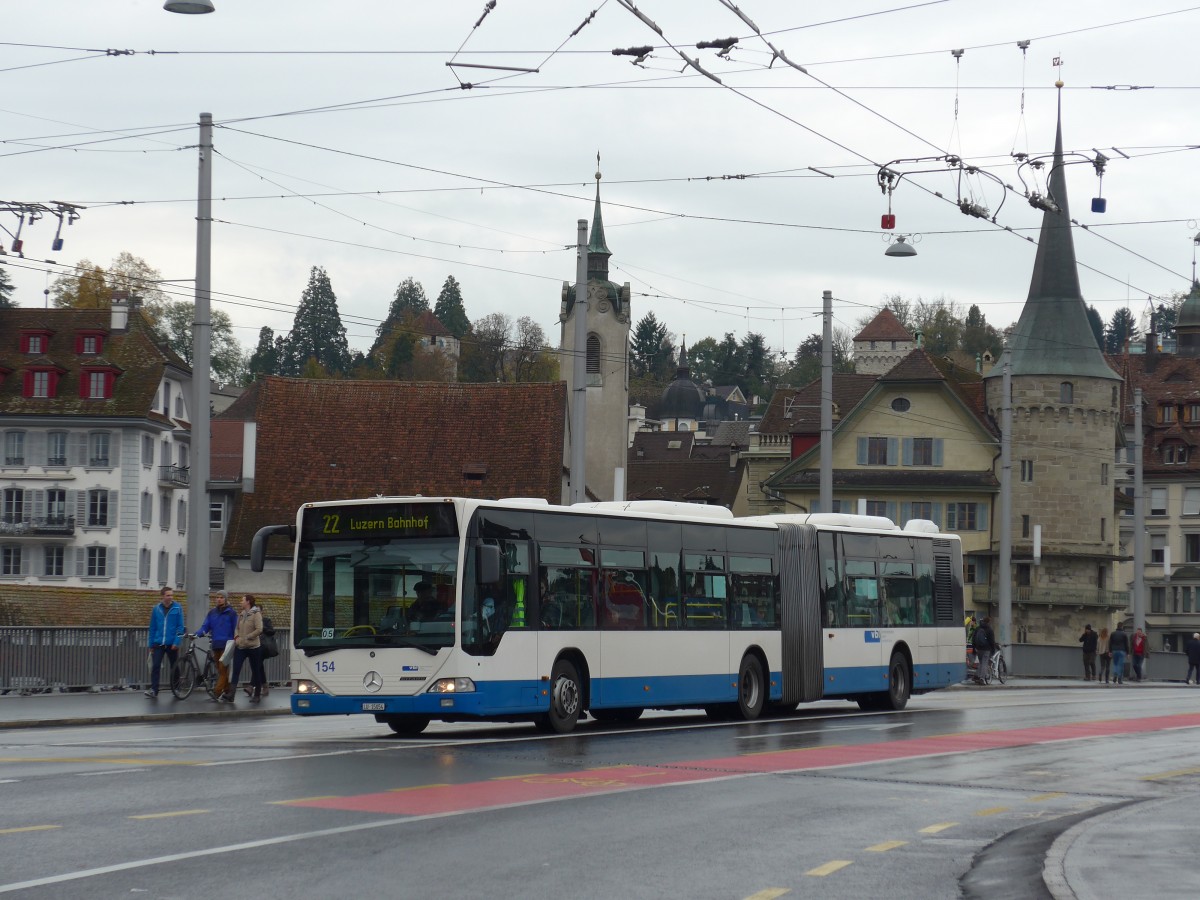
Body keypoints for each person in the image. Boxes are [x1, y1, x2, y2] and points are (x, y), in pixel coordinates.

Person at [194, 590, 238, 702]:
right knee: (220, 670)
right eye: (217, 597)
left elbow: (236, 628)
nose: (219, 599)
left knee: (223, 669)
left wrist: (236, 641)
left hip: (227, 645)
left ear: (225, 599)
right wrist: (197, 634)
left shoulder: (231, 613)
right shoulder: (212, 613)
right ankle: (228, 692)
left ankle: (216, 692)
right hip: (216, 644)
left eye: (221, 597)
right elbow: (205, 626)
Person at [145, 586, 184, 698]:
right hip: (159, 642)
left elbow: (180, 627)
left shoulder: (177, 608)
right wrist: (151, 644)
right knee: (156, 666)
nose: (170, 597)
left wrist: (177, 641)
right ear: (163, 596)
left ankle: (176, 688)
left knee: (174, 666)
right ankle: (154, 690)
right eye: (168, 595)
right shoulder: (156, 609)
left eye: (171, 595)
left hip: (172, 643)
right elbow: (153, 627)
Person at [225, 595, 264, 703]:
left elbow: (259, 629)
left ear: (248, 602)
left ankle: (257, 695)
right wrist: (236, 637)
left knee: (256, 671)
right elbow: (236, 628)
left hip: (253, 647)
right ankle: (231, 694)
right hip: (241, 646)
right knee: (236, 669)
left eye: (242, 600)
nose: (240, 602)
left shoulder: (256, 614)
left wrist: (248, 636)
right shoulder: (241, 614)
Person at [971, 616, 997, 684]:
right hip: (986, 649)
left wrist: (974, 648)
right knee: (985, 663)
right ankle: (982, 678)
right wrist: (993, 649)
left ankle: (977, 676)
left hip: (978, 649)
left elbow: (973, 638)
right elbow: (992, 641)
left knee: (981, 663)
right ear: (988, 622)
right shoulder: (989, 629)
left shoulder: (978, 628)